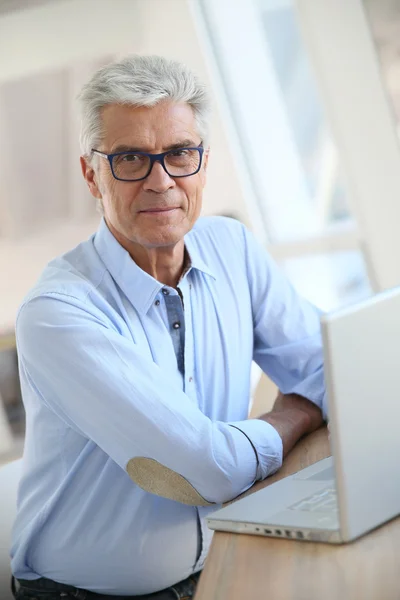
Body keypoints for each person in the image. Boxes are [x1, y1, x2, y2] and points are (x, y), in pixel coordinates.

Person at [10, 55, 327, 600]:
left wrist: (323, 395)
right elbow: (208, 467)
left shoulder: (233, 248)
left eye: (179, 153)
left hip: (219, 562)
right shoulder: (57, 312)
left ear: (201, 163)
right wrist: (294, 412)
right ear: (92, 174)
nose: (161, 182)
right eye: (130, 157)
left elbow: (327, 367)